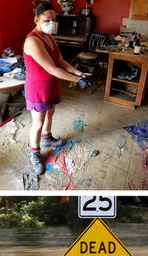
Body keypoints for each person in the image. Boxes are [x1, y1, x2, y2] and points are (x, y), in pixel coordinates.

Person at [24, 1, 92, 175]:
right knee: (37, 122)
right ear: (36, 19)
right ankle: (34, 154)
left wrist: (78, 73)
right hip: (38, 88)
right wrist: (75, 81)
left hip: (51, 84)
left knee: (51, 112)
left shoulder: (49, 37)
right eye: (47, 20)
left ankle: (47, 138)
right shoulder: (32, 40)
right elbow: (51, 68)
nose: (51, 23)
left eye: (54, 20)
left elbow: (60, 61)